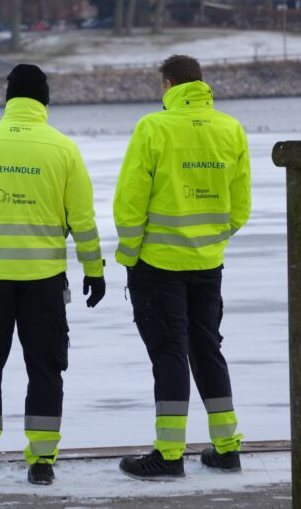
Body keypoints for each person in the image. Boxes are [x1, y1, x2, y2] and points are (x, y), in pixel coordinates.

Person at [0, 63, 106, 488]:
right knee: (45, 369)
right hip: (44, 281)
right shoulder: (63, 150)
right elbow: (83, 221)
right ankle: (41, 463)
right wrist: (94, 270)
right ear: (44, 100)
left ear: (8, 99)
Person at [113, 54, 250, 479]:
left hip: (157, 264)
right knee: (207, 349)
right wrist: (210, 239)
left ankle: (169, 455)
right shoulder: (231, 129)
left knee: (169, 354)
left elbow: (130, 200)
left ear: (168, 85)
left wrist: (130, 253)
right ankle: (227, 448)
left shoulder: (153, 128)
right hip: (208, 264)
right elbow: (240, 206)